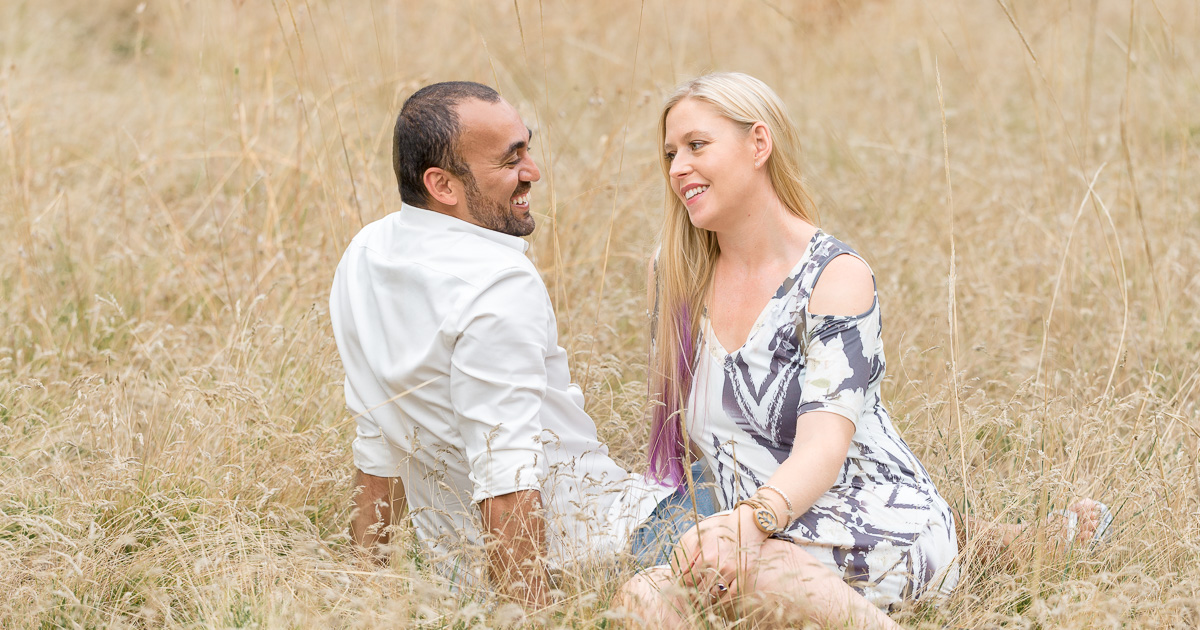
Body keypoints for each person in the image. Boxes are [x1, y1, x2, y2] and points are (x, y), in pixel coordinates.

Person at [617, 71, 1089, 628]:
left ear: (758, 145)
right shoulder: (672, 275)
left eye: (698, 145)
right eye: (670, 153)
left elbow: (823, 448)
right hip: (749, 532)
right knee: (642, 598)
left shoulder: (834, 278)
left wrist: (746, 525)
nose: (678, 168)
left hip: (870, 518)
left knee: (768, 572)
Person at [328, 81, 717, 608]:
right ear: (443, 185)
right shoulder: (496, 282)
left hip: (462, 573)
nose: (532, 171)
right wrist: (534, 617)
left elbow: (377, 442)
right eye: (511, 161)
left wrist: (364, 600)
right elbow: (507, 481)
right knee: (763, 487)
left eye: (527, 148)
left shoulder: (365, 253)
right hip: (616, 549)